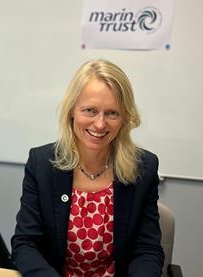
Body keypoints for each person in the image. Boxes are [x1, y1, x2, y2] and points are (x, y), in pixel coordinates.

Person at [11, 60, 164, 276]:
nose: (100, 124)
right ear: (72, 110)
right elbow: (26, 244)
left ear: (125, 118)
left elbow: (147, 250)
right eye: (90, 110)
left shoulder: (144, 168)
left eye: (112, 113)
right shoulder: (42, 164)